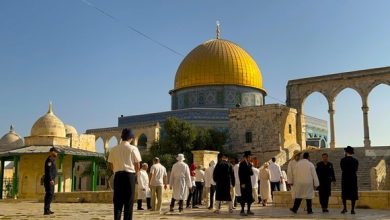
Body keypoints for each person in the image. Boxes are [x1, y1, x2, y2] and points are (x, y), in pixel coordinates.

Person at [108, 128, 141, 220]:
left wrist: (115, 171)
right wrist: (135, 174)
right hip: (129, 176)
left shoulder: (114, 149)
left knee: (118, 202)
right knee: (128, 202)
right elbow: (137, 164)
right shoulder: (133, 148)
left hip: (118, 176)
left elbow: (110, 163)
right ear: (130, 138)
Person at [340, 146, 359, 215]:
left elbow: (342, 169)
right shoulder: (355, 161)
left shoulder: (343, 160)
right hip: (353, 179)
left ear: (346, 152)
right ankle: (352, 210)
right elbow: (356, 169)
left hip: (345, 178)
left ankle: (345, 208)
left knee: (344, 194)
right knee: (353, 194)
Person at [43, 147, 59, 215]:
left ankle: (48, 209)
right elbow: (48, 171)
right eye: (55, 152)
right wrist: (51, 180)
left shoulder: (52, 160)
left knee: (51, 195)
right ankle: (46, 210)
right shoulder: (49, 160)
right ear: (51, 152)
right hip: (49, 180)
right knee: (49, 194)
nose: (56, 153)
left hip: (51, 180)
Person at [238, 151, 254, 216]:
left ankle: (248, 210)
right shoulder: (242, 164)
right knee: (243, 197)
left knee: (249, 196)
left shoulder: (249, 164)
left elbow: (251, 173)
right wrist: (242, 183)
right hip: (244, 183)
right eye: (250, 156)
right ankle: (242, 211)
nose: (251, 157)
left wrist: (250, 166)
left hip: (249, 183)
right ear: (247, 157)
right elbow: (240, 174)